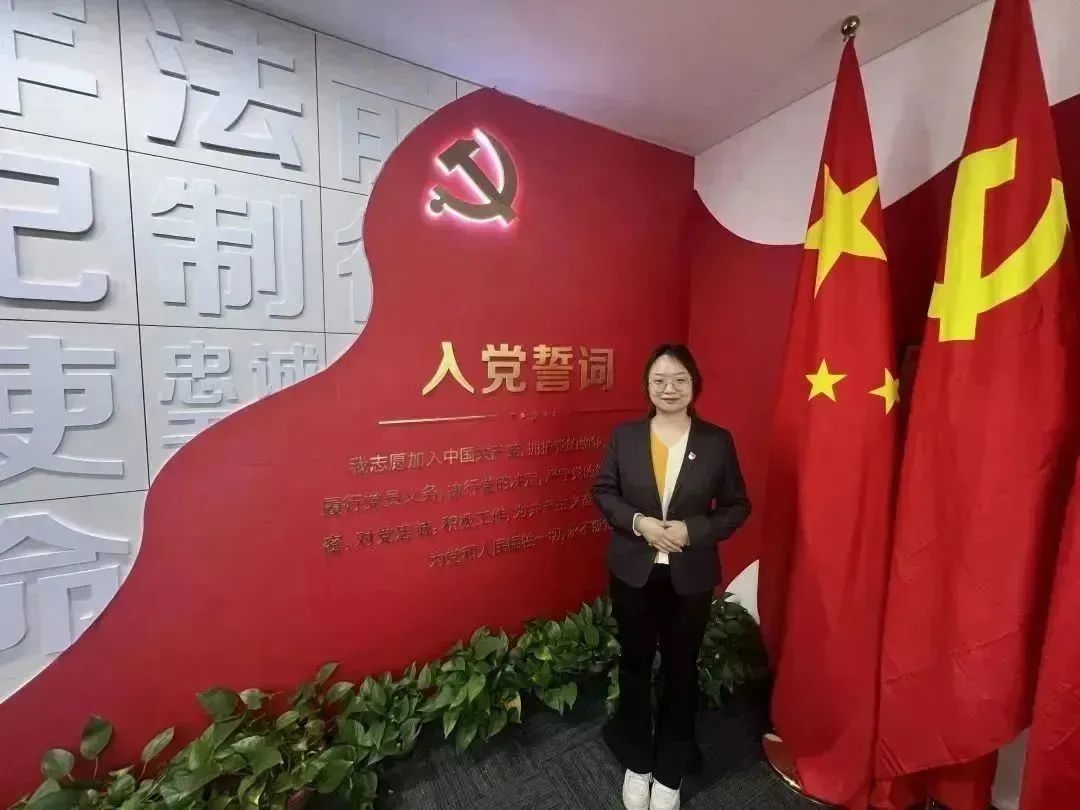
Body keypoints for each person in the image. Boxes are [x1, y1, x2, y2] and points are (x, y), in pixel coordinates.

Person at [592, 344, 751, 810]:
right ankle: (637, 761)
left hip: (690, 577)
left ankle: (669, 771)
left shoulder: (716, 441)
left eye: (679, 379)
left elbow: (737, 506)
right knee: (636, 666)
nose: (669, 388)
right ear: (647, 386)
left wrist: (692, 530)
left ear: (694, 385)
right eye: (659, 380)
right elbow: (604, 491)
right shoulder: (625, 437)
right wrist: (638, 522)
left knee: (682, 670)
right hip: (633, 573)